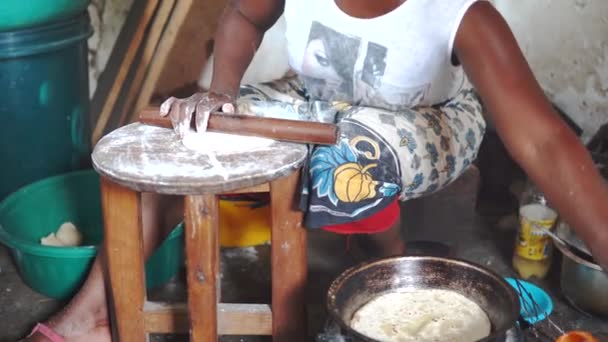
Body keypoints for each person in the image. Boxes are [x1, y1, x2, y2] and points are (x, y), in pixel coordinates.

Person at [24, 0, 608, 340]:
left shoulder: (459, 11)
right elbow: (242, 17)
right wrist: (219, 96)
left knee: (348, 157)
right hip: (314, 102)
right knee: (175, 130)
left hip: (426, 119)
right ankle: (92, 316)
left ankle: (379, 265)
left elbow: (544, 141)